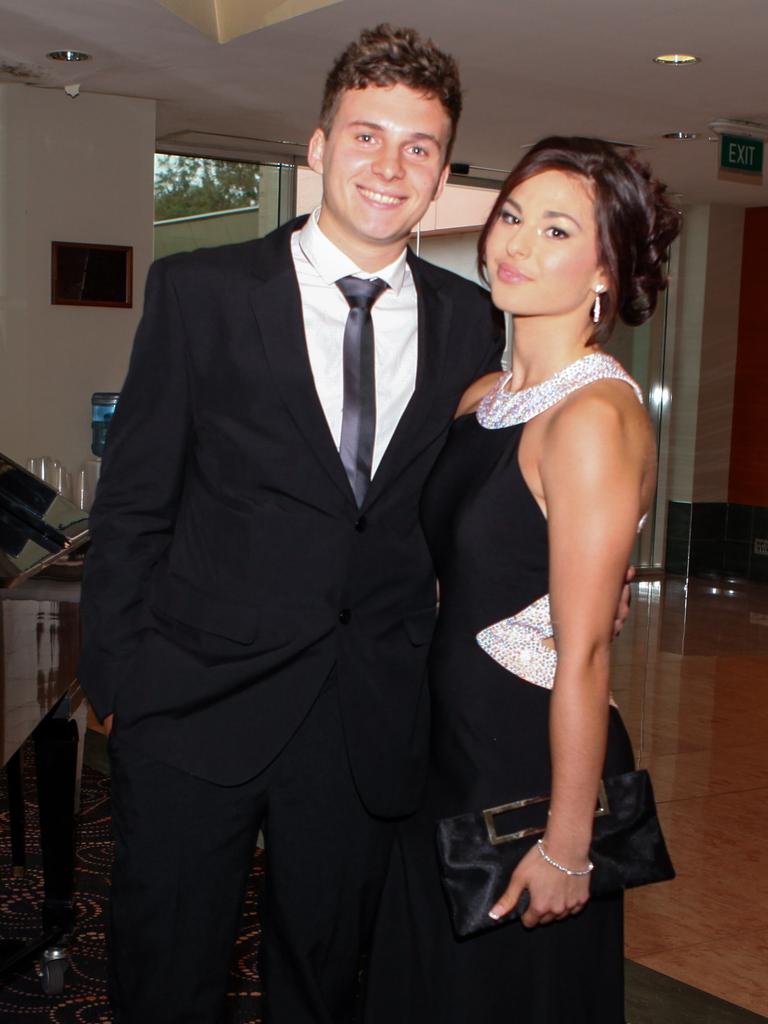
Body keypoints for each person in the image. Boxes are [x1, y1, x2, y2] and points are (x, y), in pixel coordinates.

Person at [78, 24, 506, 1024]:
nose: (390, 165)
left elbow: (473, 505)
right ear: (317, 147)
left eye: (418, 146)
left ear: (442, 173)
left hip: (363, 720)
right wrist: (119, 684)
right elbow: (136, 503)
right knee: (166, 973)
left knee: (324, 985)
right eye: (366, 135)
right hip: (192, 704)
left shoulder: (471, 322)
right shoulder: (203, 293)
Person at [363, 137, 682, 1023]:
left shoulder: (594, 416)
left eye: (554, 230)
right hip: (446, 746)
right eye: (511, 216)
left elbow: (581, 654)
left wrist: (570, 842)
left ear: (605, 273)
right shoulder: (482, 399)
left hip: (523, 762)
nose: (515, 244)